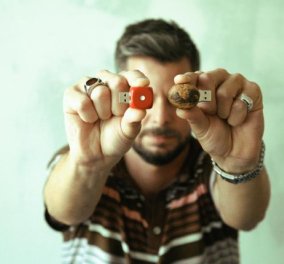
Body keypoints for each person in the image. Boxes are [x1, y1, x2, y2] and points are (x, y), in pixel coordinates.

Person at [44, 18, 270, 263]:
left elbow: (247, 218)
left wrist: (237, 166)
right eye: (146, 98)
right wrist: (88, 166)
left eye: (175, 100)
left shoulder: (214, 163)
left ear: (194, 96)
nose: (161, 118)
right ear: (123, 94)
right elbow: (64, 213)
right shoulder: (80, 156)